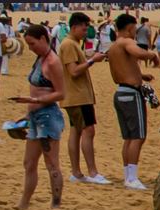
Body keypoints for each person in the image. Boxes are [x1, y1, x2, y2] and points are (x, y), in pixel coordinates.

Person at [13, 24, 65, 210]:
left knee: (51, 163)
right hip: (36, 115)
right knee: (29, 163)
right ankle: (24, 202)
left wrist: (34, 100)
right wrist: (27, 113)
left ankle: (56, 204)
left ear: (43, 39)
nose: (31, 48)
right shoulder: (40, 59)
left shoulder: (52, 62)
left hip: (48, 116)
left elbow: (61, 93)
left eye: (33, 44)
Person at [107, 13, 160, 191]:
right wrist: (152, 54)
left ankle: (128, 175)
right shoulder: (126, 41)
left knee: (129, 138)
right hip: (131, 94)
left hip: (120, 92)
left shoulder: (114, 46)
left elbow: (122, 68)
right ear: (130, 28)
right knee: (138, 136)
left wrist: (141, 75)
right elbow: (139, 53)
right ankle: (132, 177)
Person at [60, 12, 110, 185]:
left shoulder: (72, 44)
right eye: (83, 28)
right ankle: (92, 172)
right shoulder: (68, 45)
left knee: (76, 131)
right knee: (88, 131)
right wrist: (92, 60)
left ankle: (77, 172)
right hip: (78, 96)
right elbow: (74, 71)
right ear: (74, 27)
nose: (85, 31)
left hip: (75, 96)